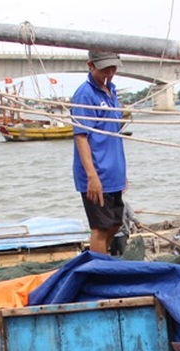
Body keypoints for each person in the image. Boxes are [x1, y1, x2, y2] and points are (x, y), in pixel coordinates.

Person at [71, 50, 128, 254]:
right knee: (100, 227)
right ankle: (99, 269)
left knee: (115, 223)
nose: (110, 72)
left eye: (113, 68)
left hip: (114, 172)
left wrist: (122, 175)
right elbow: (81, 136)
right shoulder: (85, 94)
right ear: (91, 66)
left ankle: (101, 258)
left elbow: (114, 134)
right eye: (105, 68)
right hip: (97, 173)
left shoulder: (111, 91)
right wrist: (92, 176)